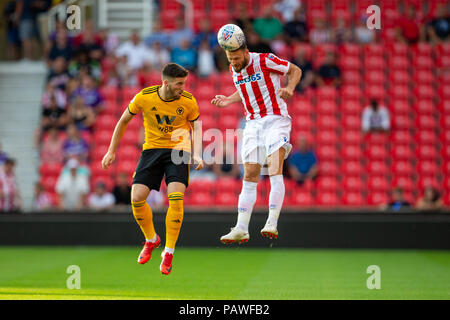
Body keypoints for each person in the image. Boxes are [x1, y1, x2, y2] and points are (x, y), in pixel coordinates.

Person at [101, 63, 204, 275]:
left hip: (178, 150)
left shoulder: (188, 101)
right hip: (152, 150)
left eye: (184, 83)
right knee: (136, 197)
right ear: (165, 82)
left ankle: (169, 251)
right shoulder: (145, 97)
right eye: (179, 84)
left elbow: (197, 126)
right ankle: (151, 239)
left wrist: (197, 153)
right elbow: (123, 121)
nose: (182, 88)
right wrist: (111, 151)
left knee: (176, 197)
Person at [211, 27, 302, 243]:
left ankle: (272, 222)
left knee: (274, 169)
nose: (233, 62)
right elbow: (246, 91)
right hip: (252, 124)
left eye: (235, 57)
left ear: (245, 51)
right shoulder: (235, 70)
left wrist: (290, 87)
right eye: (229, 58)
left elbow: (295, 70)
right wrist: (228, 100)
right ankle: (241, 227)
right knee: (250, 174)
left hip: (275, 119)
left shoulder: (263, 60)